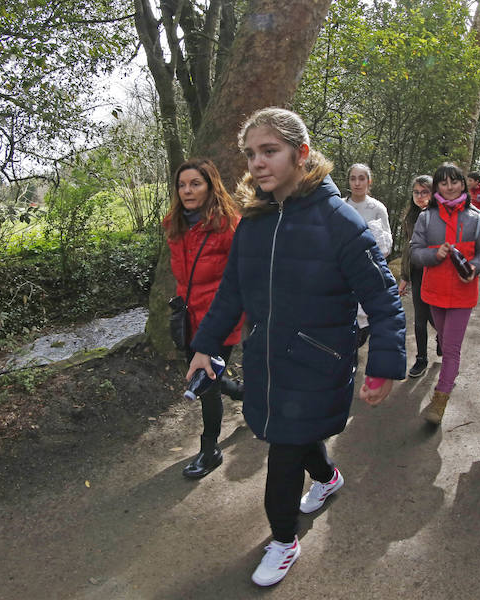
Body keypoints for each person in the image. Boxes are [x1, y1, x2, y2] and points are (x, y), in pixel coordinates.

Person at [186, 107, 405, 587]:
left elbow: (384, 299)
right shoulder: (254, 223)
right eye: (250, 154)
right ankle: (328, 479)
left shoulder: (340, 220)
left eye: (270, 151)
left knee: (283, 450)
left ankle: (283, 541)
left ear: (301, 154)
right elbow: (232, 294)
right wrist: (206, 345)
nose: (257, 163)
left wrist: (383, 366)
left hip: (318, 363)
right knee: (296, 438)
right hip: (266, 357)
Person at [163, 158, 244, 479]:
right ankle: (244, 394)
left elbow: (240, 279)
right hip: (188, 318)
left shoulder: (228, 225)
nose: (187, 190)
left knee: (207, 386)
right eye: (182, 185)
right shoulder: (174, 224)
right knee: (205, 377)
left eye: (195, 183)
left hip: (220, 319)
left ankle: (210, 450)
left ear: (211, 186)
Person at [410, 163, 480, 425]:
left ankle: (440, 398)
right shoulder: (426, 217)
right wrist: (435, 255)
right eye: (443, 183)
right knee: (445, 343)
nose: (449, 187)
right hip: (434, 292)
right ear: (437, 186)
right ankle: (448, 376)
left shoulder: (475, 218)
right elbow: (414, 252)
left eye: (454, 181)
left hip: (462, 293)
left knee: (452, 348)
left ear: (462, 184)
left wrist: (475, 267)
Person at [344, 163, 393, 346]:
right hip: (343, 271)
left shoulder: (377, 208)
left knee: (363, 322)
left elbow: (387, 242)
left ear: (369, 181)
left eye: (361, 178)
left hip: (368, 271)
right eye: (353, 178)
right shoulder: (340, 205)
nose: (357, 183)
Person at [398, 175, 439, 377]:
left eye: (425, 192)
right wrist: (405, 276)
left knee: (434, 314)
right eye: (416, 192)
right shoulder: (411, 216)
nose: (420, 196)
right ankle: (421, 358)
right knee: (420, 318)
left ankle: (442, 336)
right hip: (418, 272)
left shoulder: (441, 216)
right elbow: (408, 248)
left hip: (437, 273)